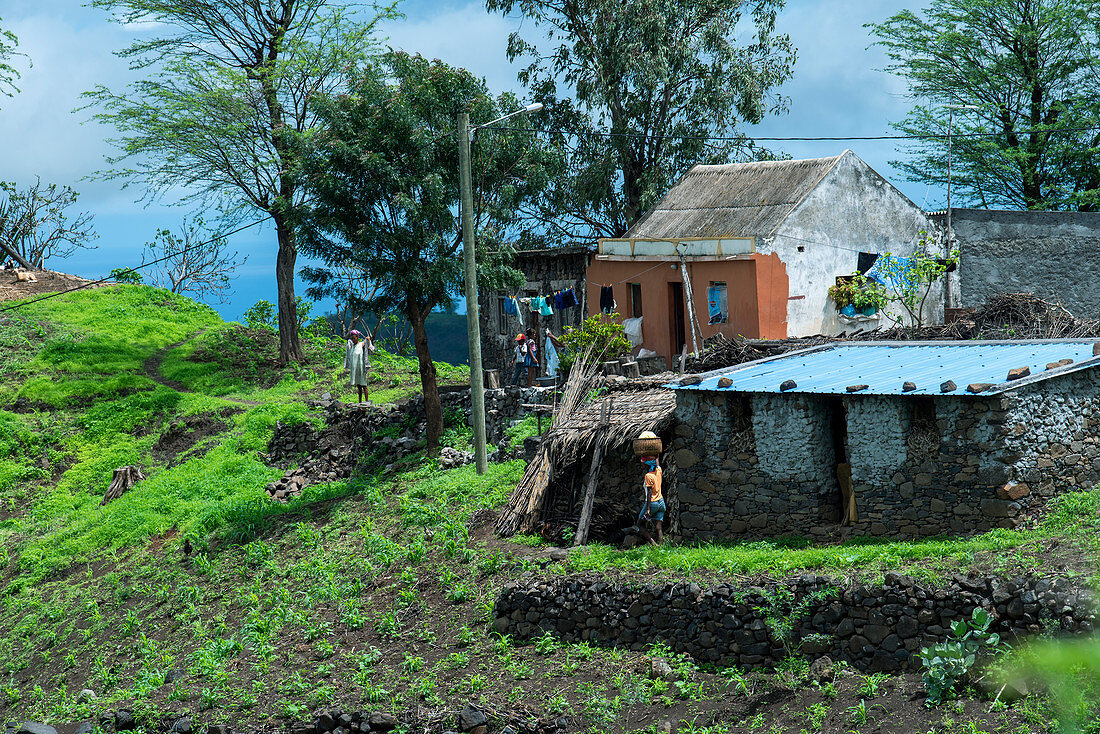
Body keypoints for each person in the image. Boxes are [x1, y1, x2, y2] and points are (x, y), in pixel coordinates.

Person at [637, 455, 665, 545]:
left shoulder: (648, 476)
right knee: (658, 527)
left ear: (647, 465)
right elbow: (657, 461)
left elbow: (649, 493)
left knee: (640, 524)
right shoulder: (658, 471)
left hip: (652, 503)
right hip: (661, 502)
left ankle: (653, 543)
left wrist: (648, 509)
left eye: (643, 464)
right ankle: (661, 548)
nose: (642, 466)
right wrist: (656, 454)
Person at [344, 329, 376, 404]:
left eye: (354, 338)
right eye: (352, 338)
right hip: (355, 368)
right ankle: (360, 401)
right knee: (358, 386)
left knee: (364, 385)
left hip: (361, 368)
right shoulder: (351, 346)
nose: (353, 340)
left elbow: (369, 347)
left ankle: (367, 401)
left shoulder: (362, 344)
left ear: (357, 337)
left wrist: (368, 340)